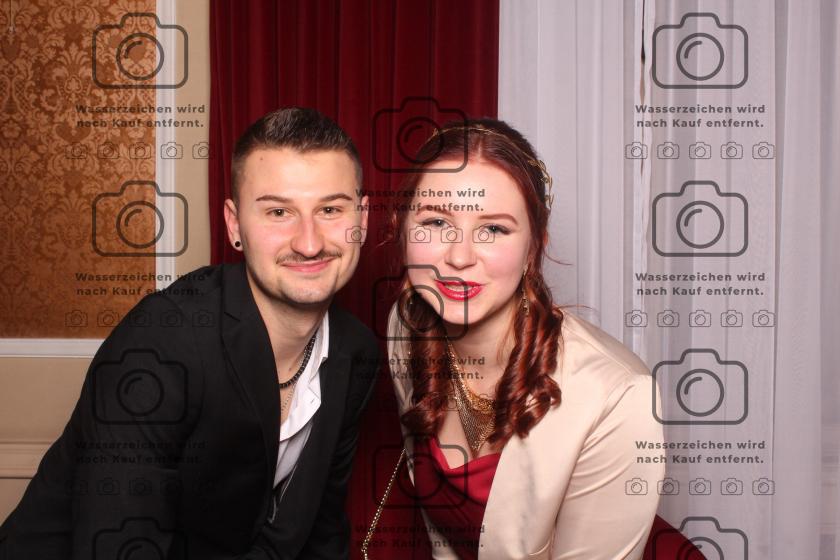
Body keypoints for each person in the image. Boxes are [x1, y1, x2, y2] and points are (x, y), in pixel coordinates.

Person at [0, 107, 380, 559]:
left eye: (331, 210)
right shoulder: (160, 342)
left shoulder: (356, 352)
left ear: (362, 219)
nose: (309, 242)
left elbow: (319, 533)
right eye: (279, 212)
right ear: (234, 225)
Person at [382, 119, 664, 559]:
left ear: (534, 247)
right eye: (436, 221)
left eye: (493, 229)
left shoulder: (620, 396)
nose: (459, 256)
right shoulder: (406, 327)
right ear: (401, 229)